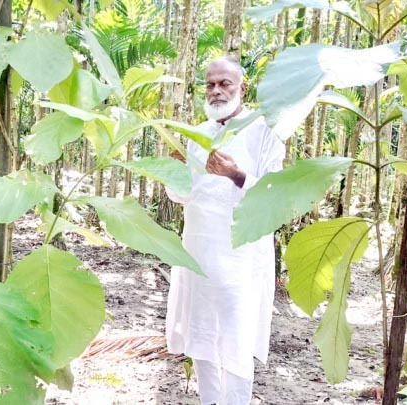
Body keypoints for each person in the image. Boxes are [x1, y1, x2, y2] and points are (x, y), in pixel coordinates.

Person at [165, 56, 285, 405]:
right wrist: (172, 174)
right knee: (201, 335)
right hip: (199, 250)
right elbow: (183, 195)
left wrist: (237, 176)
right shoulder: (196, 135)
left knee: (236, 337)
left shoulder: (264, 131)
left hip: (241, 257)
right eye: (210, 84)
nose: (216, 90)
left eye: (224, 83)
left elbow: (275, 194)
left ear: (241, 88)